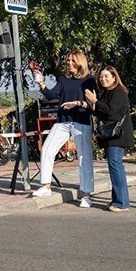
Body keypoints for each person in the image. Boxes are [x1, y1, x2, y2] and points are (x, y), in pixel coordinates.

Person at [31, 51, 97, 206]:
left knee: (84, 159)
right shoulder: (64, 80)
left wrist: (76, 103)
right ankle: (46, 186)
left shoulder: (89, 81)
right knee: (47, 149)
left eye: (72, 61)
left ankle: (86, 194)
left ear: (80, 62)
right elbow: (50, 94)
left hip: (81, 122)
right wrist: (41, 83)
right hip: (62, 122)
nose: (69, 64)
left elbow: (93, 106)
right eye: (68, 61)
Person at [86, 66, 133, 212]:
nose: (103, 79)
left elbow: (112, 112)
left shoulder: (118, 92)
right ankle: (118, 200)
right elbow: (101, 112)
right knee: (115, 166)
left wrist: (95, 101)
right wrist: (90, 104)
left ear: (114, 77)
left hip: (118, 135)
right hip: (110, 135)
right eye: (101, 77)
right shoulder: (106, 93)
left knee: (115, 165)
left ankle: (121, 202)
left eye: (106, 76)